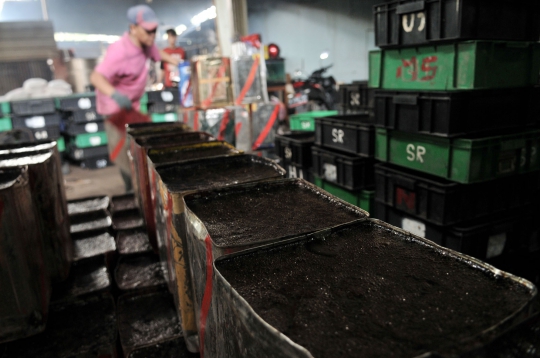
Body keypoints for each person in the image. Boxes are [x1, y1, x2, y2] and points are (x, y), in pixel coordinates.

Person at [90, 4, 179, 192]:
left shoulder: (147, 44)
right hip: (115, 111)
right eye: (148, 31)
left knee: (141, 149)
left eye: (155, 30)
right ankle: (132, 190)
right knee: (125, 155)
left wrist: (180, 63)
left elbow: (158, 54)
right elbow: (95, 77)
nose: (152, 35)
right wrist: (115, 94)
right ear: (133, 28)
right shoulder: (119, 52)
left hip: (132, 108)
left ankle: (143, 186)